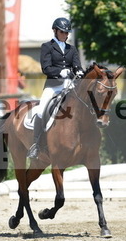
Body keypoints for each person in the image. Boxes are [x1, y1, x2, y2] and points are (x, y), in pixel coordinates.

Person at [27, 17, 84, 159]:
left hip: (70, 86)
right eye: (63, 32)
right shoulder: (47, 47)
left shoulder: (72, 49)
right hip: (53, 86)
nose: (66, 35)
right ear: (55, 31)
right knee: (41, 111)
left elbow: (77, 65)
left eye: (67, 33)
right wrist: (60, 72)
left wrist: (80, 71)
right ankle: (36, 145)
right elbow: (46, 68)